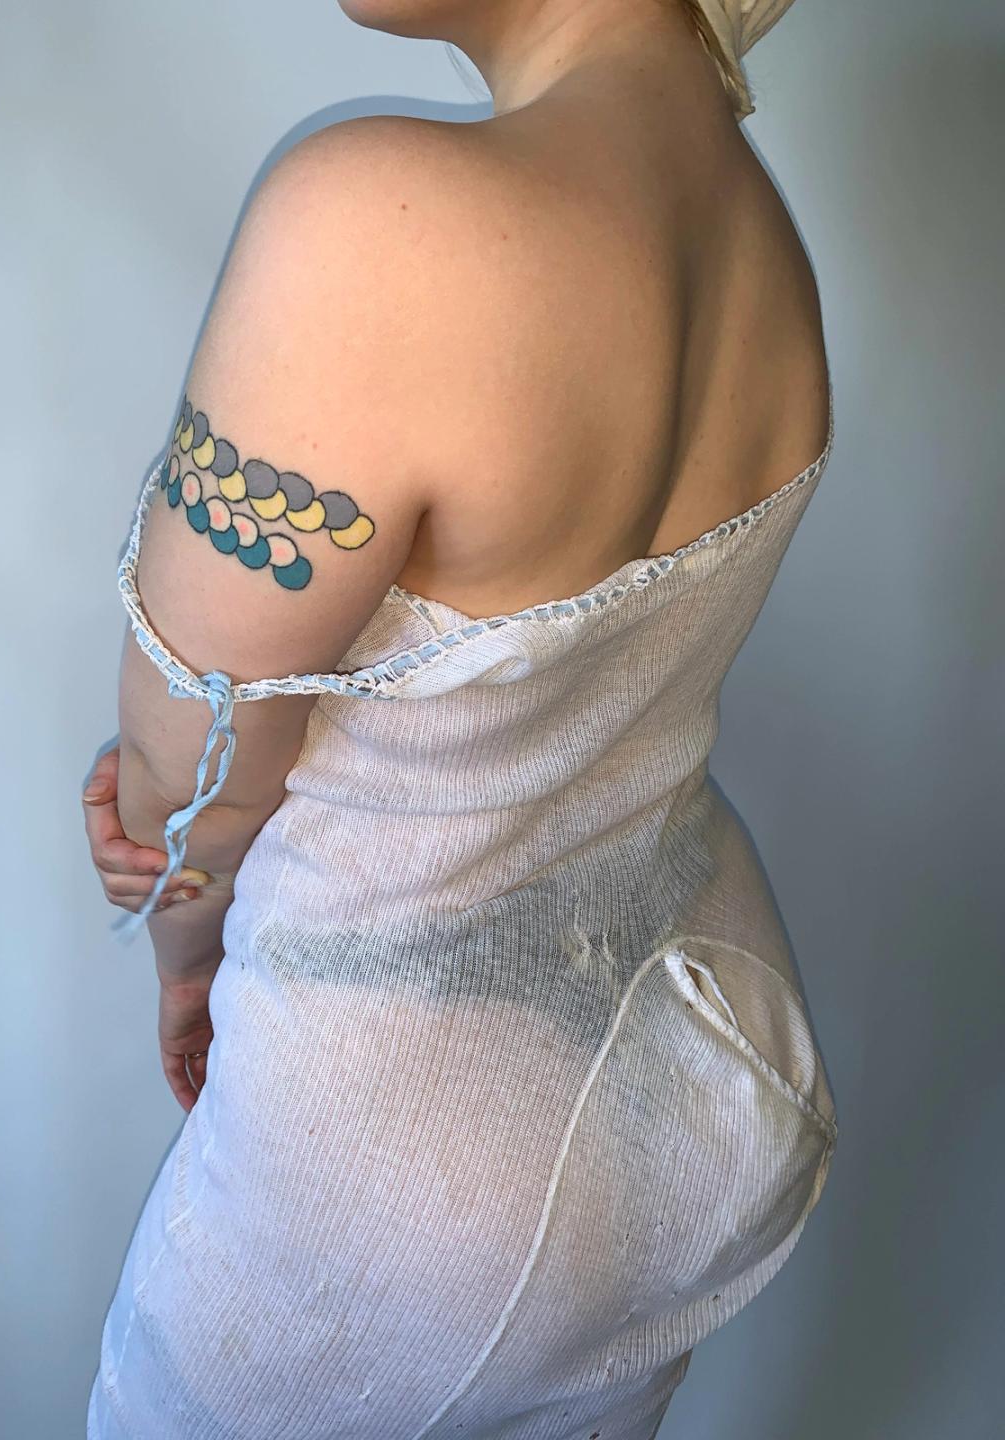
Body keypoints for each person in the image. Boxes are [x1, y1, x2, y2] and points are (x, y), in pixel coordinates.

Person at [84, 1, 839, 1435]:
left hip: (407, 1176)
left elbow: (196, 761)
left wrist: (181, 950)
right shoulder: (765, 250)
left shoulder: (378, 224)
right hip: (696, 1091)